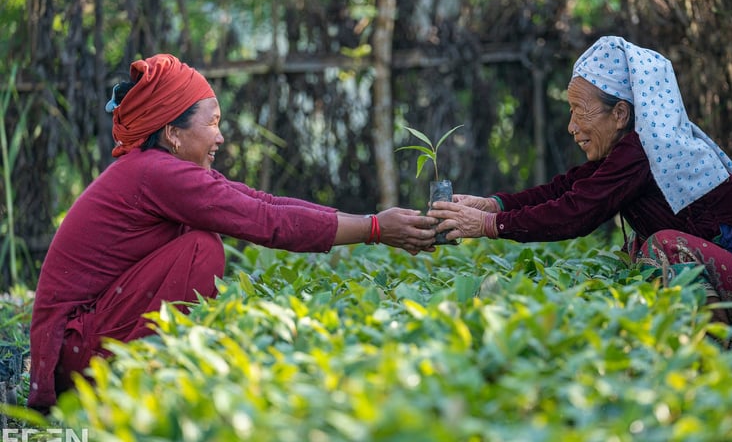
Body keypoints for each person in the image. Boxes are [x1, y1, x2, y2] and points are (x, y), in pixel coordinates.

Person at [28, 54, 438, 411]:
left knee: (202, 244)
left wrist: (374, 222)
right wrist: (375, 229)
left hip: (77, 344)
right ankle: (128, 383)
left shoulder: (157, 169)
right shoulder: (157, 173)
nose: (220, 136)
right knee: (201, 250)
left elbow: (264, 203)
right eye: (214, 123)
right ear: (173, 133)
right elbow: (266, 222)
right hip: (74, 353)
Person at [429, 35, 732, 345]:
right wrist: (492, 205)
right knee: (637, 254)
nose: (572, 127)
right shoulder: (638, 149)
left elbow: (577, 211)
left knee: (666, 246)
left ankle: (709, 363)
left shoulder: (641, 152)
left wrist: (489, 225)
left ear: (620, 114)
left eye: (580, 111)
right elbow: (568, 188)